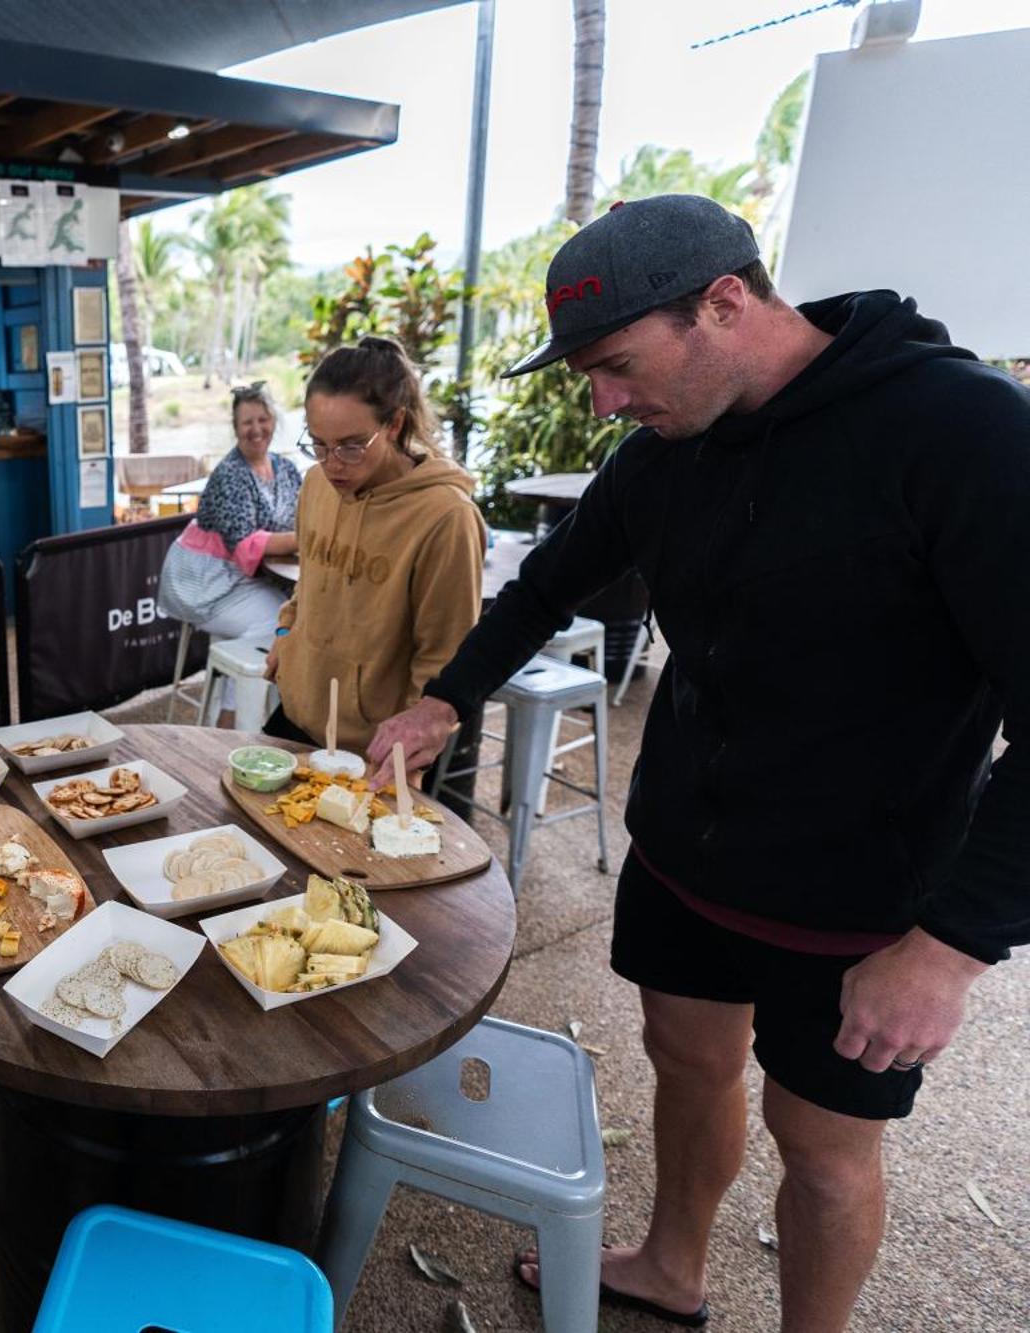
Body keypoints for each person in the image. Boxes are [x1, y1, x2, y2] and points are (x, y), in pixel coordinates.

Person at [369, 195, 1029, 1330]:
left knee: (819, 1144)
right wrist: (443, 698)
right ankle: (672, 1264)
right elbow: (544, 583)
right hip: (684, 845)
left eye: (615, 366)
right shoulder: (662, 453)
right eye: (587, 376)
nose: (604, 403)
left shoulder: (959, 431)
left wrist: (954, 943)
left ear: (725, 303)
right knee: (682, 1059)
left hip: (856, 890)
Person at [262, 337, 487, 757]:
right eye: (318, 443)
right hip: (295, 712)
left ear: (395, 424)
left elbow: (443, 656)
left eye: (351, 445)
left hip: (375, 746)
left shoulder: (446, 517)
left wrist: (412, 758)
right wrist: (284, 635)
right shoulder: (316, 484)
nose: (332, 464)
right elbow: (306, 587)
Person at [157, 381, 302, 716]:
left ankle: (235, 709)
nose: (256, 429)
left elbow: (304, 515)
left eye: (262, 420)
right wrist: (307, 537)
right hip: (205, 583)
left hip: (244, 579)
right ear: (235, 429)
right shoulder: (229, 474)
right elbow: (244, 542)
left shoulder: (287, 468)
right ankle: (239, 720)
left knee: (289, 615)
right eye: (247, 422)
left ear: (274, 420)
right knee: (279, 620)